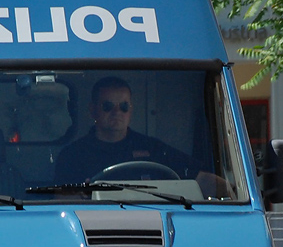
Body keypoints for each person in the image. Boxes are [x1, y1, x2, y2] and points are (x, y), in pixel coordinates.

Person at [53, 77, 233, 197]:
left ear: (130, 111)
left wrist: (234, 196)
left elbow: (202, 179)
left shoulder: (153, 149)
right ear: (93, 110)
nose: (117, 112)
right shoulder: (73, 156)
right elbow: (58, 202)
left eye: (123, 106)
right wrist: (82, 195)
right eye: (108, 106)